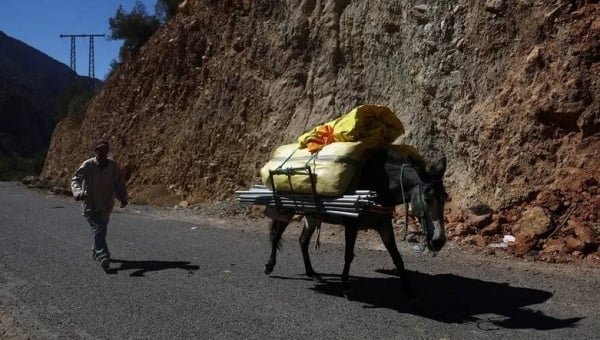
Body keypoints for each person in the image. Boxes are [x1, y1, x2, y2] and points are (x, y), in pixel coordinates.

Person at [71, 140, 128, 271]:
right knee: (98, 228)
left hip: (106, 204)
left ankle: (95, 250)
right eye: (99, 150)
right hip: (90, 203)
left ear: (108, 151)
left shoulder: (113, 166)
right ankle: (103, 255)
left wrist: (123, 197)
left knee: (101, 229)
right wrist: (78, 192)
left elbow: (119, 183)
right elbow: (76, 179)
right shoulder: (88, 165)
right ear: (95, 151)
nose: (102, 152)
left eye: (105, 150)